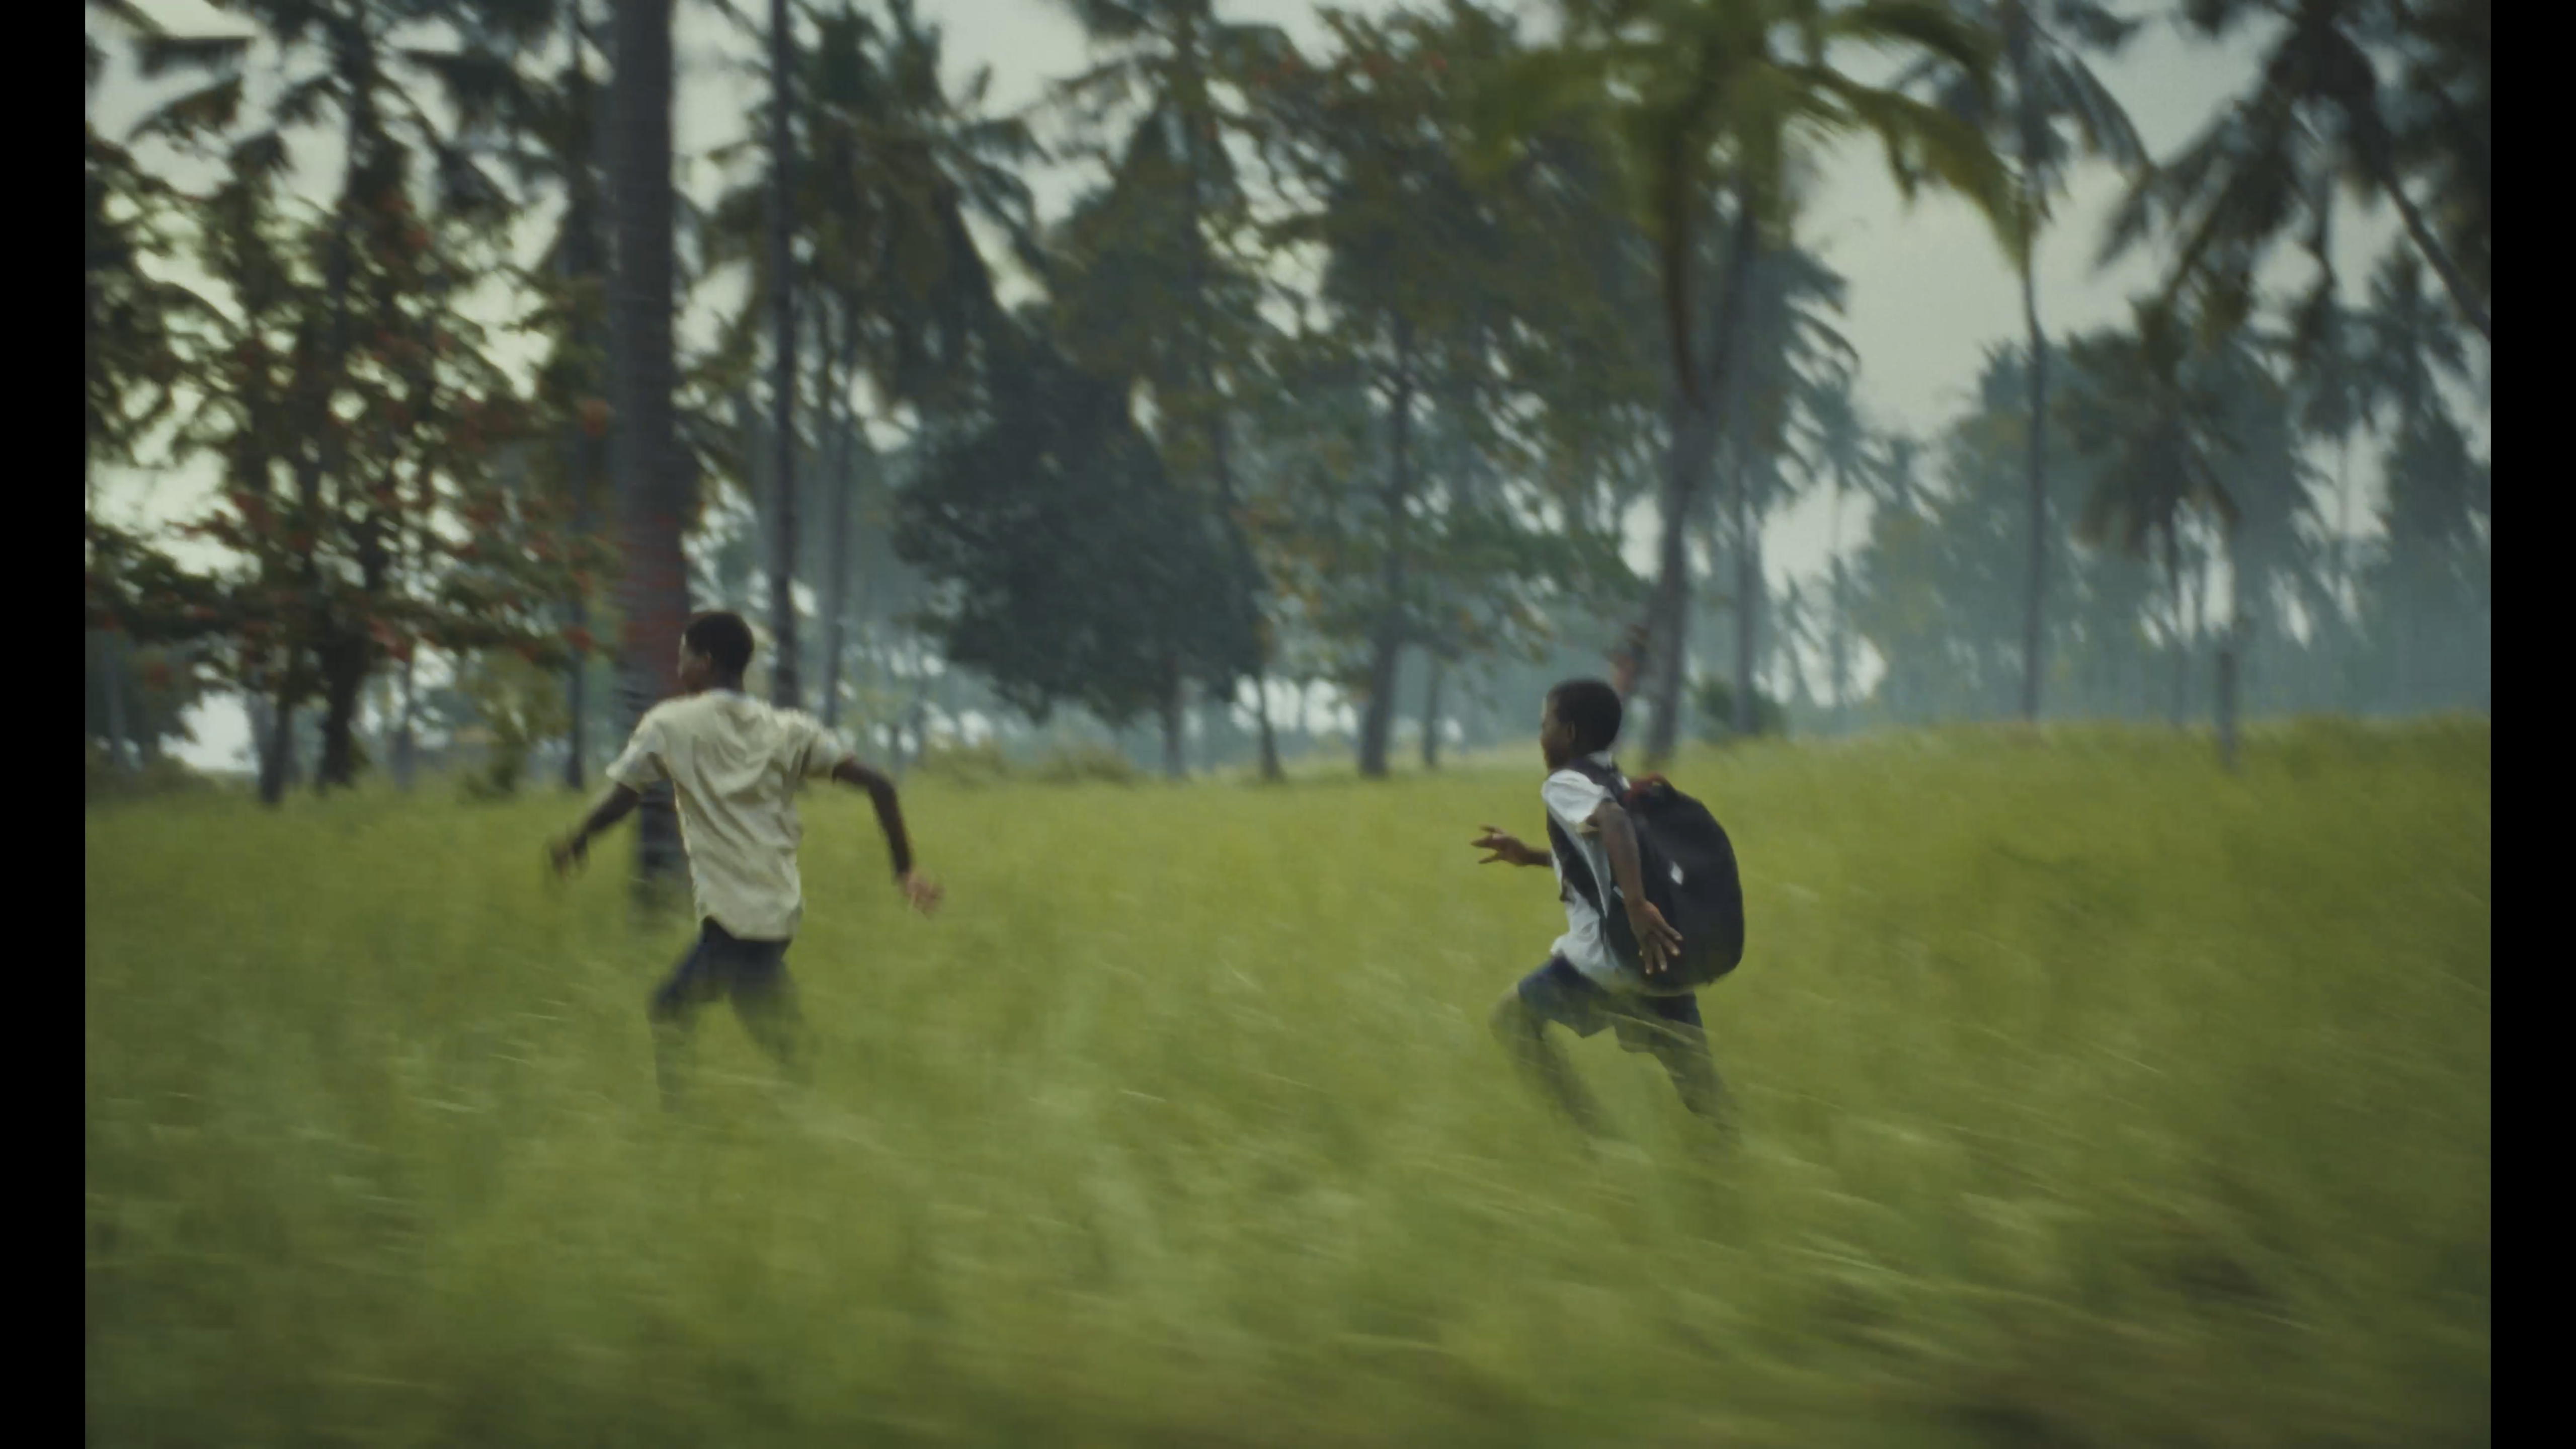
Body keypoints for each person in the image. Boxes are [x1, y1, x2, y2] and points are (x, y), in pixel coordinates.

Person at [547, 611, 941, 1106]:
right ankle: (813, 1103)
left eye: (684, 657)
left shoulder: (668, 724)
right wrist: (904, 871)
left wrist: (576, 840)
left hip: (732, 913)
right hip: (778, 904)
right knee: (764, 1014)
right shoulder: (788, 729)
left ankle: (684, 1126)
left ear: (706, 661)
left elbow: (623, 797)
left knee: (671, 1010)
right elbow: (881, 785)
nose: (679, 668)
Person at [1470, 678, 1724, 1136]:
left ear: (1568, 733)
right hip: (1660, 958)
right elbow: (1603, 855)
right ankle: (1732, 1155)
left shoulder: (1565, 783)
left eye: (1545, 724)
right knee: (1706, 1098)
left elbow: (1612, 823)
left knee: (1510, 1022)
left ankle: (1592, 1140)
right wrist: (1530, 856)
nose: (1541, 735)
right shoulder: (1619, 782)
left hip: (1606, 961)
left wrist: (1637, 906)